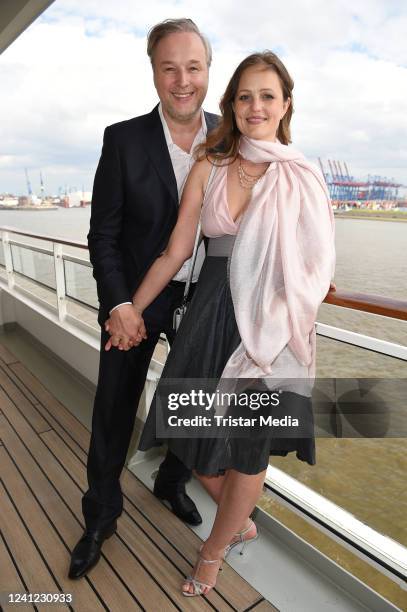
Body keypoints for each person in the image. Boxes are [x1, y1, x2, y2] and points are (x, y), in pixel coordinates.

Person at [107, 51, 335, 596]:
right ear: (231, 104)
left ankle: (213, 550)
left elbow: (316, 262)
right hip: (210, 312)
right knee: (182, 427)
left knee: (250, 446)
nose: (256, 106)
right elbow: (175, 251)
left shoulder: (300, 173)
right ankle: (239, 518)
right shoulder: (210, 163)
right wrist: (131, 307)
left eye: (268, 96)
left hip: (272, 326)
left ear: (285, 105)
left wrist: (289, 315)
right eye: (245, 96)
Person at [68, 18, 219, 580]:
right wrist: (119, 304)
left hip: (205, 300)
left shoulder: (233, 135)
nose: (182, 80)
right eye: (169, 67)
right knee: (113, 408)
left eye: (194, 67)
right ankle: (100, 517)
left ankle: (171, 480)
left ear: (208, 70)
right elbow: (102, 234)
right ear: (154, 71)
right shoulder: (123, 138)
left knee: (195, 403)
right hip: (135, 300)